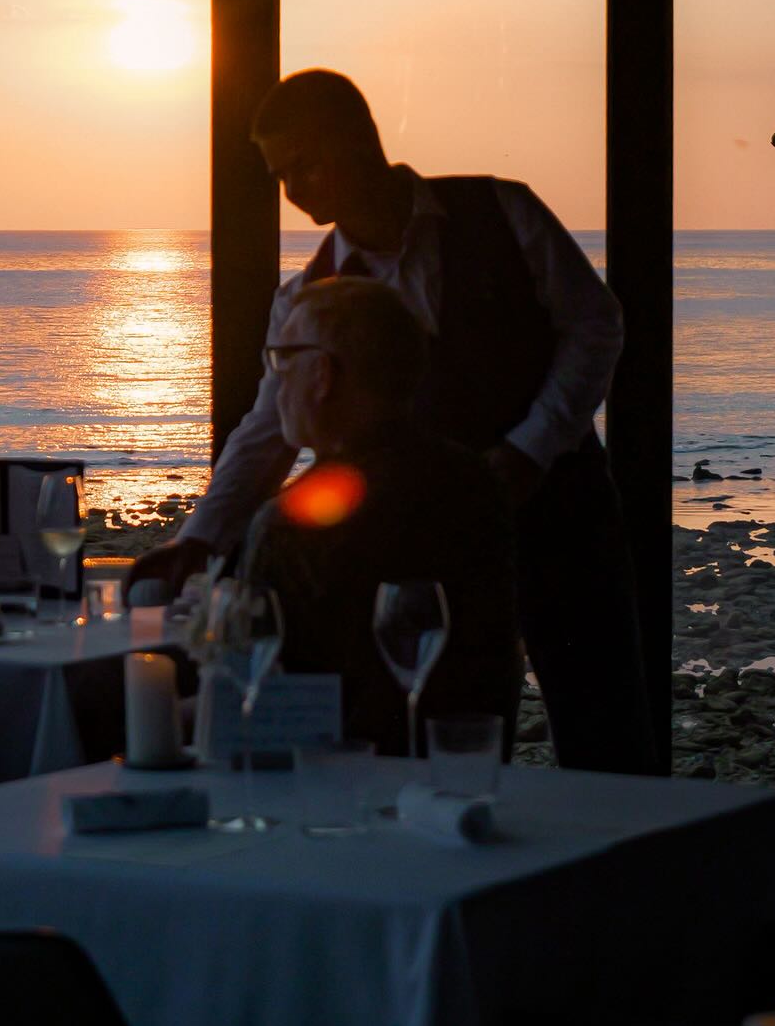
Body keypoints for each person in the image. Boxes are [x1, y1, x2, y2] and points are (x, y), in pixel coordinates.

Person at [132, 68, 656, 775]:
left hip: (558, 504)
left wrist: (531, 449)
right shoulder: (306, 298)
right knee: (450, 721)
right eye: (281, 175)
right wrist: (201, 535)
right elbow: (268, 428)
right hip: (420, 544)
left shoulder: (502, 211)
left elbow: (596, 327)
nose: (294, 191)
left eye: (306, 163)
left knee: (605, 720)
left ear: (362, 139)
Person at [242, 276, 522, 754]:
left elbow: (263, 692)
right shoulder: (471, 481)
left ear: (323, 375)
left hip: (335, 784)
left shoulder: (291, 524)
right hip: (462, 765)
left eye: (282, 361)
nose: (275, 383)